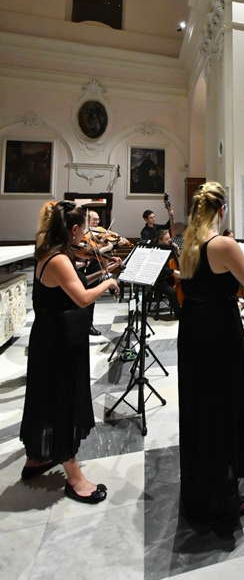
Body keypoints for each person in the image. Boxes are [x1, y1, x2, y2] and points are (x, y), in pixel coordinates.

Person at [179, 181, 244, 536]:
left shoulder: (189, 244)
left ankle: (200, 491)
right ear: (222, 210)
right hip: (220, 331)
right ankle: (225, 493)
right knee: (226, 408)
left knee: (200, 407)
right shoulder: (223, 244)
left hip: (193, 330)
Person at [20, 201, 119, 503]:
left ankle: (36, 458)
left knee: (47, 397)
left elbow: (69, 289)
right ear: (73, 229)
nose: (86, 234)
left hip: (49, 339)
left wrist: (98, 276)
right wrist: (109, 282)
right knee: (63, 400)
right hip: (59, 344)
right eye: (83, 229)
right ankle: (75, 478)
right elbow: (81, 299)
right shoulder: (61, 259)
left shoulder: (47, 251)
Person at [153, 229, 181, 319]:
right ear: (160, 240)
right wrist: (173, 272)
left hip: (169, 277)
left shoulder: (170, 247)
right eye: (167, 239)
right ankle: (179, 314)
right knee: (172, 292)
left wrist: (176, 249)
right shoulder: (157, 250)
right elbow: (162, 268)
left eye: (170, 238)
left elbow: (175, 262)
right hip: (159, 280)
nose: (170, 240)